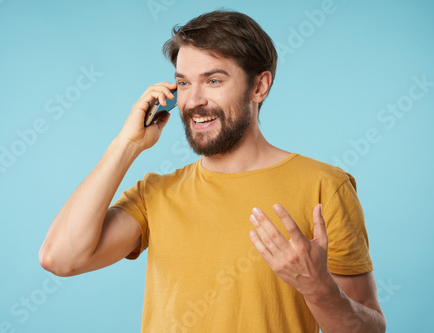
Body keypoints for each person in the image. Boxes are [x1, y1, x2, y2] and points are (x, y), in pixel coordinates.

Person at [39, 10, 386, 333]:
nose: (193, 101)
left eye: (214, 80)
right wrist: (126, 144)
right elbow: (60, 258)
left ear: (259, 86)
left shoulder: (326, 186)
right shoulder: (155, 194)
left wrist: (319, 289)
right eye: (184, 83)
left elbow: (369, 327)